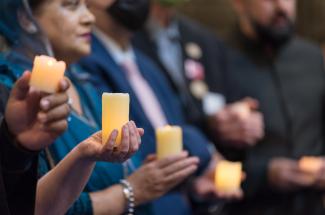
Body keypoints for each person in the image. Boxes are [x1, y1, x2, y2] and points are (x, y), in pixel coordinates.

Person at [0, 0, 199, 214]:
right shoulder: (13, 93)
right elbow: (27, 204)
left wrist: (146, 171)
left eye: (87, 6)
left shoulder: (82, 82)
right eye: (71, 6)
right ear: (25, 18)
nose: (89, 18)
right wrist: (130, 191)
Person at [80, 0, 243, 214]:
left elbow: (172, 137)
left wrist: (194, 186)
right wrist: (206, 149)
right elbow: (133, 146)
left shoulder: (146, 64)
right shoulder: (83, 62)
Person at [217, 0, 325, 214]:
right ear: (239, 4)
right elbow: (208, 152)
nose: (281, 7)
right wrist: (265, 174)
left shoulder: (313, 57)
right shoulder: (217, 58)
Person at [132, 0, 265, 150]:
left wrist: (237, 123)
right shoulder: (126, 41)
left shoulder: (206, 42)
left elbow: (229, 105)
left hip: (209, 164)